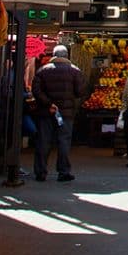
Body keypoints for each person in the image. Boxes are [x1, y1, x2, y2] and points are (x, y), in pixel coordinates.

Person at [31, 45, 84, 182]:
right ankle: (63, 171)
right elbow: (79, 92)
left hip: (46, 112)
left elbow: (36, 91)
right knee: (64, 142)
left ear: (54, 55)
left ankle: (40, 172)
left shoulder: (42, 71)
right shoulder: (75, 71)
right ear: (66, 55)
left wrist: (49, 103)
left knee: (43, 141)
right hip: (65, 113)